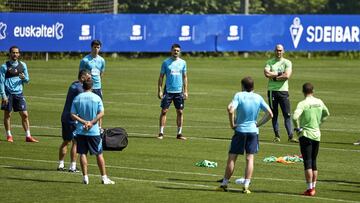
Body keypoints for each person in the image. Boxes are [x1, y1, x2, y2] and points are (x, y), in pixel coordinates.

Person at [217, 76, 273, 194]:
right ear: (253, 86)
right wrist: (258, 124)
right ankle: (246, 185)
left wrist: (232, 124)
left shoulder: (239, 95)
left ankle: (224, 184)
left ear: (242, 86)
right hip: (253, 131)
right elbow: (270, 114)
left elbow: (231, 110)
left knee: (232, 158)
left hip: (240, 130)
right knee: (250, 158)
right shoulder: (258, 97)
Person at [71, 79, 114, 185]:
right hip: (93, 131)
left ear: (83, 87)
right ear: (92, 87)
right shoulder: (96, 98)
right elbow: (101, 113)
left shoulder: (77, 98)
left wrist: (84, 122)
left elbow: (72, 114)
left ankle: (85, 177)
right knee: (99, 154)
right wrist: (91, 122)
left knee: (82, 153)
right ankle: (104, 178)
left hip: (81, 130)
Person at [292, 82, 330, 196]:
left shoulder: (303, 103)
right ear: (313, 91)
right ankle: (313, 187)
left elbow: (294, 117)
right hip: (317, 134)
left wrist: (297, 128)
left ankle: (309, 189)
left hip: (306, 135)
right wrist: (319, 123)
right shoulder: (319, 101)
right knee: (314, 162)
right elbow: (327, 113)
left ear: (303, 91)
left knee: (307, 162)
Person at [0, 46, 38, 143]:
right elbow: (1, 82)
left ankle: (28, 136)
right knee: (8, 115)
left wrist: (23, 78)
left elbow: (27, 80)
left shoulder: (23, 65)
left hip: (19, 94)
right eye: (13, 52)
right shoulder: (4, 66)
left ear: (19, 54)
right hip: (8, 94)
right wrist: (3, 95)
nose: (15, 54)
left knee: (25, 115)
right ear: (10, 53)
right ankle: (9, 135)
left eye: (17, 53)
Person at [57, 70, 91, 172]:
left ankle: (61, 164)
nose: (90, 80)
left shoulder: (73, 85)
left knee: (66, 141)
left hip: (65, 117)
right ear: (83, 77)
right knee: (75, 142)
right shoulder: (80, 89)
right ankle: (72, 166)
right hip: (73, 118)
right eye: (88, 78)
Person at [264, 44, 297, 143]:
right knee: (274, 114)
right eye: (277, 50)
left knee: (287, 114)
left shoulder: (287, 62)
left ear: (283, 51)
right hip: (272, 91)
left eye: (280, 50)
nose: (279, 52)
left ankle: (290, 136)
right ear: (274, 51)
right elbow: (266, 74)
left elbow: (287, 76)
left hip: (283, 91)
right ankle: (277, 136)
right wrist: (279, 74)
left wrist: (273, 76)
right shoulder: (269, 62)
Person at [157, 43, 188, 140]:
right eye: (174, 50)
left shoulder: (183, 63)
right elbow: (161, 77)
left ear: (180, 52)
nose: (176, 52)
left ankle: (179, 134)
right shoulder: (166, 62)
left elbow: (185, 77)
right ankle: (161, 133)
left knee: (180, 112)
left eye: (178, 51)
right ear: (171, 51)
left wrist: (186, 91)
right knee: (164, 111)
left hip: (179, 91)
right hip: (168, 91)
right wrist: (160, 90)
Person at [79, 39, 105, 130]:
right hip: (88, 88)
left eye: (98, 47)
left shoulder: (102, 60)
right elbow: (81, 74)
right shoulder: (85, 60)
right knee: (86, 108)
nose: (96, 49)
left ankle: (99, 128)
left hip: (98, 88)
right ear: (91, 47)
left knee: (99, 109)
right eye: (95, 47)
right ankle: (84, 125)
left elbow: (101, 73)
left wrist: (98, 84)